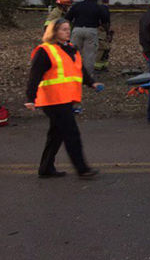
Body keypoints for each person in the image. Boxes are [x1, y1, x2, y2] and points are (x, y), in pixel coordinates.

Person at [25, 18, 102, 180]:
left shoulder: (71, 48)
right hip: (52, 100)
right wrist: (30, 98)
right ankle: (82, 169)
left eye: (68, 29)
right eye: (63, 29)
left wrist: (92, 83)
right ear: (54, 32)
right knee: (71, 134)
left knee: (56, 134)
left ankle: (45, 168)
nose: (68, 32)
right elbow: (34, 76)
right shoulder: (45, 51)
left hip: (65, 99)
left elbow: (79, 70)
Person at [64, 0, 110, 76]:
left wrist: (71, 27)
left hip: (77, 30)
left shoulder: (77, 5)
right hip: (91, 31)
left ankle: (72, 73)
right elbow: (105, 22)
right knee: (89, 54)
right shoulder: (97, 7)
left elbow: (67, 18)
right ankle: (87, 76)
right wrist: (107, 32)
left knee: (74, 52)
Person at [95, 0, 113, 72]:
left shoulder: (98, 8)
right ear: (108, 1)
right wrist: (108, 33)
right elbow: (106, 22)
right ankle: (98, 67)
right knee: (103, 49)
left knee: (104, 49)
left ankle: (102, 66)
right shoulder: (105, 10)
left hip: (98, 30)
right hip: (102, 32)